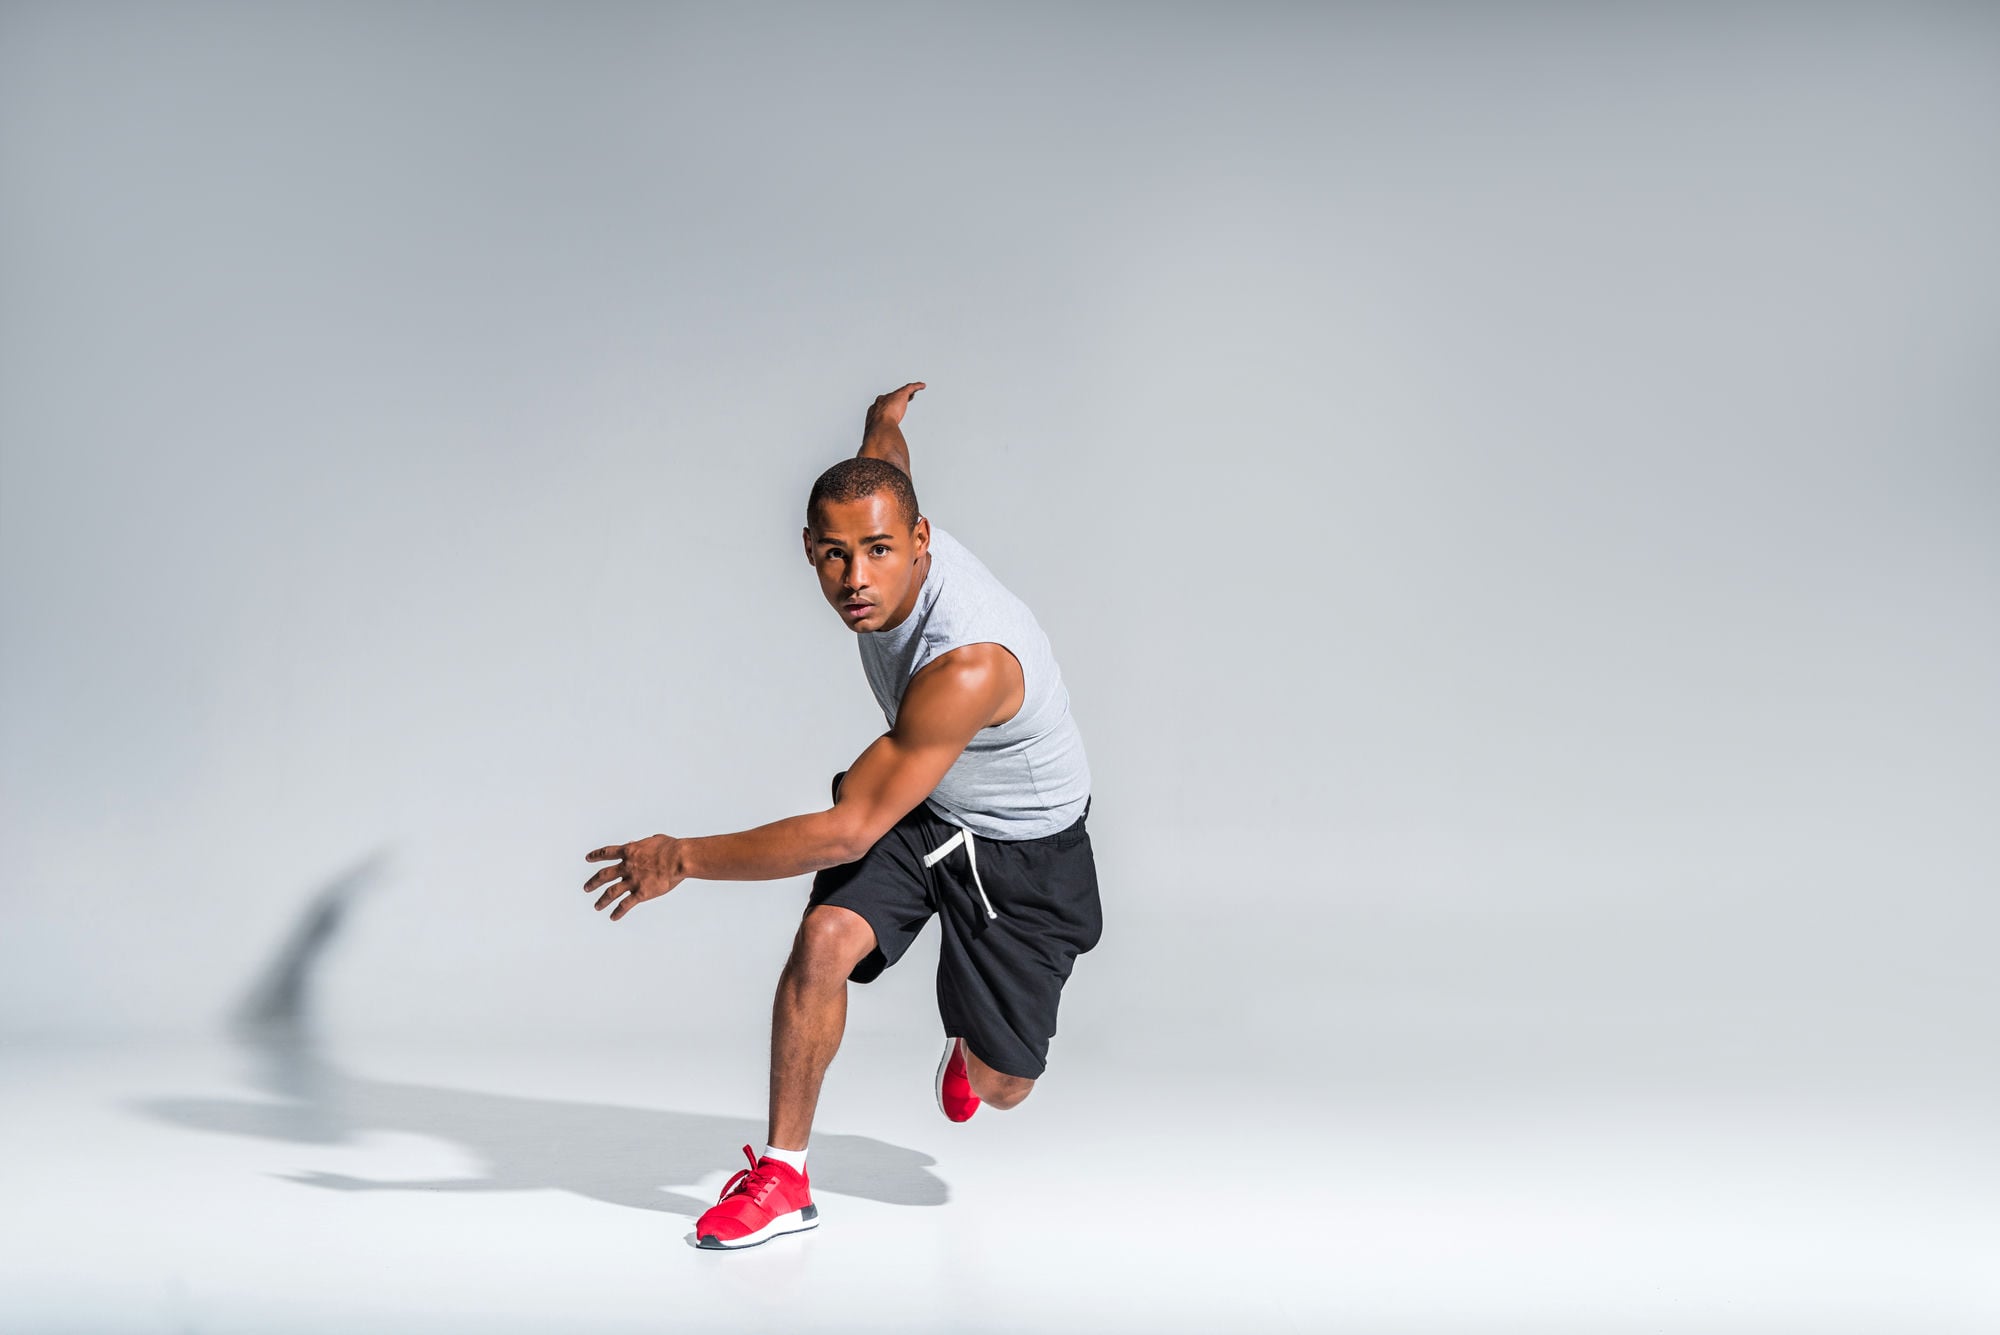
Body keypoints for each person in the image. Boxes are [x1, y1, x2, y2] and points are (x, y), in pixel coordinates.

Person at [581, 382, 1102, 1250]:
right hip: (924, 804)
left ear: (921, 541)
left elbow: (847, 829)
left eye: (879, 550)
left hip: (1022, 852)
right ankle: (783, 1176)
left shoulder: (967, 661)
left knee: (1007, 1084)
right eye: (833, 554)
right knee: (822, 940)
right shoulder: (875, 519)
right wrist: (885, 423)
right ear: (810, 548)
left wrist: (679, 857)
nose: (855, 579)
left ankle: (977, 1049)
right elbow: (884, 463)